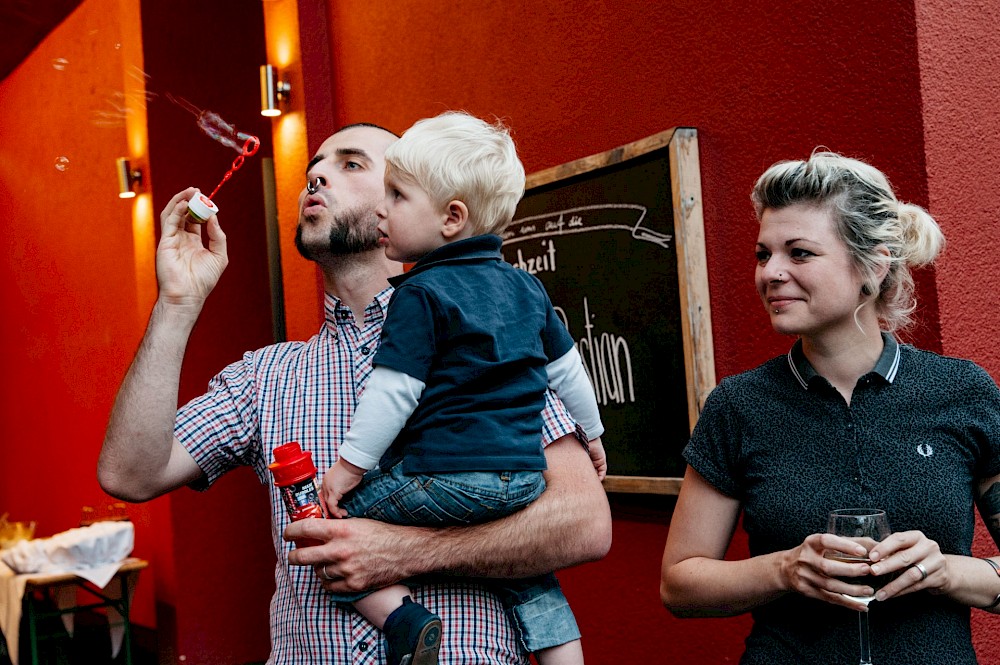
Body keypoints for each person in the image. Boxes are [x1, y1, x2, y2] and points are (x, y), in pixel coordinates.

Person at [97, 122, 612, 665]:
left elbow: (584, 522)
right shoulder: (264, 377)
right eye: (313, 167)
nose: (316, 174)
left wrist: (404, 553)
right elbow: (128, 474)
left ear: (435, 207)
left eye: (352, 164)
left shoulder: (484, 336)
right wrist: (177, 302)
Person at [659, 150, 1000, 664]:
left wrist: (947, 571)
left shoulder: (962, 392)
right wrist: (785, 569)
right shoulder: (739, 405)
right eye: (762, 254)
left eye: (799, 253)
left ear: (873, 265)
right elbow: (680, 583)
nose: (770, 272)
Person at [318, 111, 607, 665]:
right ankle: (564, 654)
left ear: (452, 218)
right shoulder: (526, 285)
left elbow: (394, 391)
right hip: (523, 481)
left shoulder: (420, 294)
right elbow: (569, 369)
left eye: (398, 196)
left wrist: (350, 468)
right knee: (527, 571)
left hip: (447, 477)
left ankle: (405, 620)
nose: (382, 208)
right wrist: (592, 434)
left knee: (340, 526)